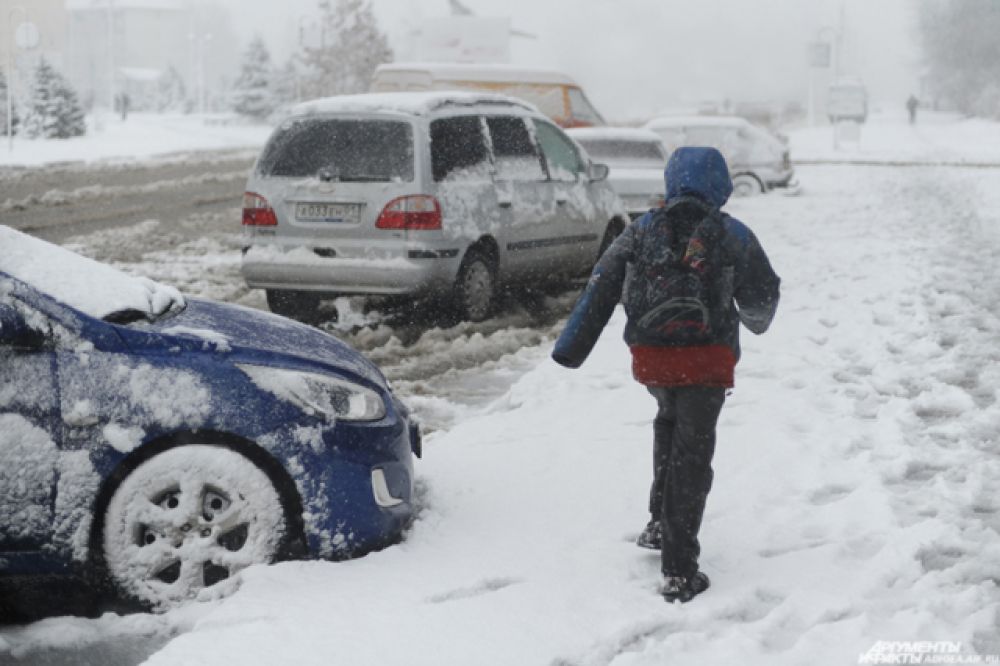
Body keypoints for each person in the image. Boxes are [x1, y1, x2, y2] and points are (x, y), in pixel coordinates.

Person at [551, 147, 780, 603]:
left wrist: (571, 349)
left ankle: (659, 523)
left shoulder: (642, 230)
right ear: (721, 185)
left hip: (653, 359)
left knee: (668, 420)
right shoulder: (732, 234)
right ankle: (679, 569)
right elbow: (761, 295)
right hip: (708, 361)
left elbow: (601, 284)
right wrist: (750, 318)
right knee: (692, 455)